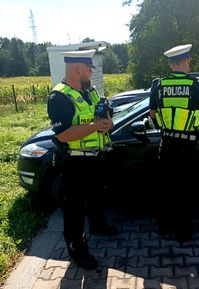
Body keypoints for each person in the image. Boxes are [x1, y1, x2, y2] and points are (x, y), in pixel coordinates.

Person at [47, 49, 118, 270]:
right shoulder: (59, 97)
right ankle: (77, 249)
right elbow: (63, 134)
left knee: (97, 195)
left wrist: (108, 123)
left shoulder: (89, 91)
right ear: (78, 68)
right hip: (75, 162)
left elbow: (106, 114)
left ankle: (98, 225)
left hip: (95, 157)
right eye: (89, 68)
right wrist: (95, 126)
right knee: (75, 209)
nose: (91, 72)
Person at [149, 44, 199, 242]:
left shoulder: (158, 85)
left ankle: (163, 227)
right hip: (189, 146)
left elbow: (152, 113)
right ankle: (183, 232)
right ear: (187, 60)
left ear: (170, 64)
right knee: (185, 188)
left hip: (167, 143)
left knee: (166, 187)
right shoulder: (198, 85)